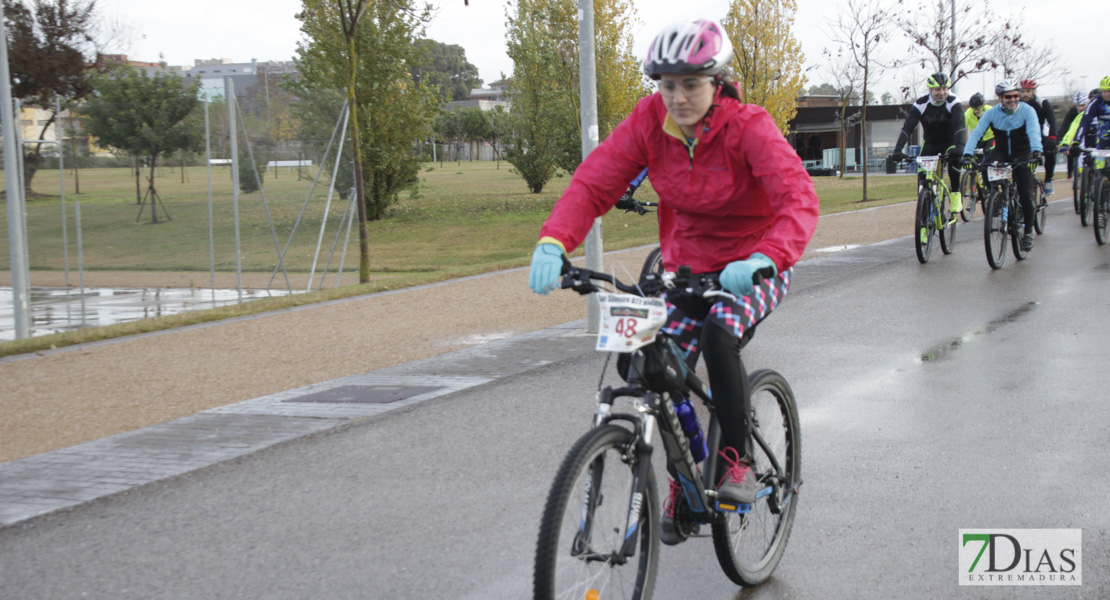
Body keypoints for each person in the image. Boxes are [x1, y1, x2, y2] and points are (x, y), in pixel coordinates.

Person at [528, 18, 819, 545]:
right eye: (667, 85)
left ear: (716, 81)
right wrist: (555, 241)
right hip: (685, 270)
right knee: (640, 359)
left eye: (690, 83)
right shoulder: (648, 122)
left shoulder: (748, 127)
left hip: (753, 268)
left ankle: (738, 463)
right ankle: (685, 482)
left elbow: (797, 198)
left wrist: (766, 258)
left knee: (718, 334)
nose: (678, 97)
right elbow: (595, 181)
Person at [963, 79, 1043, 252]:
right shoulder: (992, 114)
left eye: (1016, 95)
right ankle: (996, 197)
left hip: (1024, 152)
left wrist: (1037, 152)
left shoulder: (1027, 111)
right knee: (985, 165)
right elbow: (976, 133)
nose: (1013, 99)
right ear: (1000, 97)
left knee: (1026, 193)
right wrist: (967, 154)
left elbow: (1034, 132)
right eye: (1008, 97)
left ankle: (1028, 231)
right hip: (1001, 151)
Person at [890, 72, 967, 215]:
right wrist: (898, 150)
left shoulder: (953, 102)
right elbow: (907, 128)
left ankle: (956, 194)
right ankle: (925, 208)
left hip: (949, 142)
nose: (942, 93)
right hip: (931, 143)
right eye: (938, 89)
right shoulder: (921, 104)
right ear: (930, 90)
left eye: (945, 89)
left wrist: (960, 147)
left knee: (954, 160)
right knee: (923, 177)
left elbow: (959, 126)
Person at [1020, 79, 1058, 194]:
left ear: (1034, 91)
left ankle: (1048, 179)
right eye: (1023, 91)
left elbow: (1052, 121)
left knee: (1051, 152)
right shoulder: (1018, 103)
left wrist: (1052, 138)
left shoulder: (1043, 103)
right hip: (1023, 137)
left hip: (1040, 135)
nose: (1025, 94)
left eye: (1028, 91)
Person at [1059, 91, 1091, 178]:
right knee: (1073, 149)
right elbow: (1068, 126)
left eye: (1083, 105)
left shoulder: (1095, 111)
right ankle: (1072, 174)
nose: (1080, 108)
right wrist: (1063, 142)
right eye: (1078, 105)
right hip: (1080, 135)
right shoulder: (1074, 112)